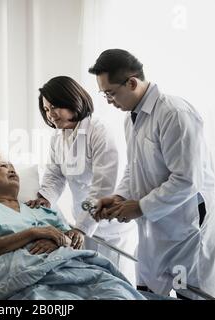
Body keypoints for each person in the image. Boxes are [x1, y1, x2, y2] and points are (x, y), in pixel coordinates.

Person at [88, 49, 215, 299]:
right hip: (157, 227)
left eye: (110, 93)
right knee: (147, 289)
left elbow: (186, 179)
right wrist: (120, 197)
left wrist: (140, 207)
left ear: (131, 82)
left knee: (189, 291)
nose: (108, 100)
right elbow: (134, 167)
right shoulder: (131, 119)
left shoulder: (174, 113)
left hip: (187, 226)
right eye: (105, 94)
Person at [0, 155, 148, 300]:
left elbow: (73, 240)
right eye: (3, 167)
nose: (12, 169)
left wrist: (60, 240)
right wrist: (33, 233)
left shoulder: (42, 209)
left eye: (13, 166)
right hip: (24, 278)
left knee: (116, 293)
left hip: (73, 272)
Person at [26, 76, 137, 283]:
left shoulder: (99, 131)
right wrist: (45, 197)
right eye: (47, 110)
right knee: (94, 283)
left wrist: (81, 228)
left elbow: (104, 185)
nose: (51, 115)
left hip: (111, 225)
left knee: (117, 284)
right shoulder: (58, 138)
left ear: (72, 100)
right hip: (83, 222)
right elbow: (54, 174)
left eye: (55, 107)